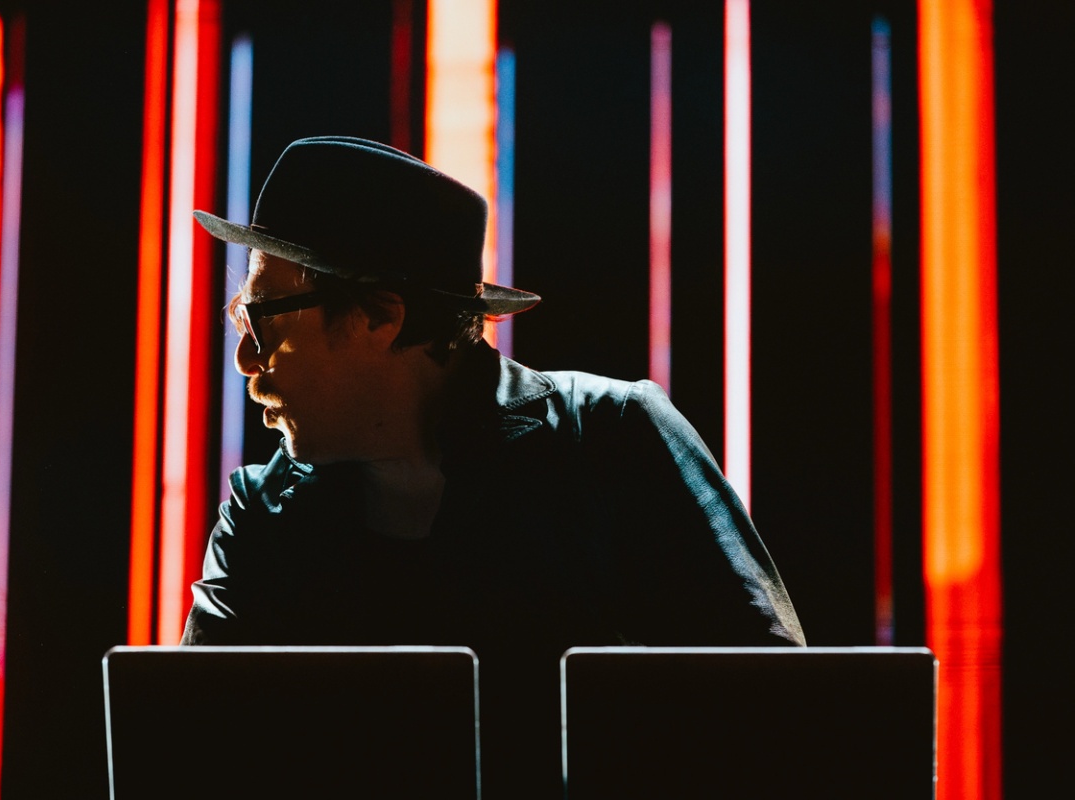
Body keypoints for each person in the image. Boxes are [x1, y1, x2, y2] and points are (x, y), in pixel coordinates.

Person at [182, 136, 804, 797]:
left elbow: (782, 715)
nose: (245, 359)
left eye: (260, 318)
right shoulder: (261, 517)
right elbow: (188, 751)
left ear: (381, 317)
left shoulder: (612, 443)